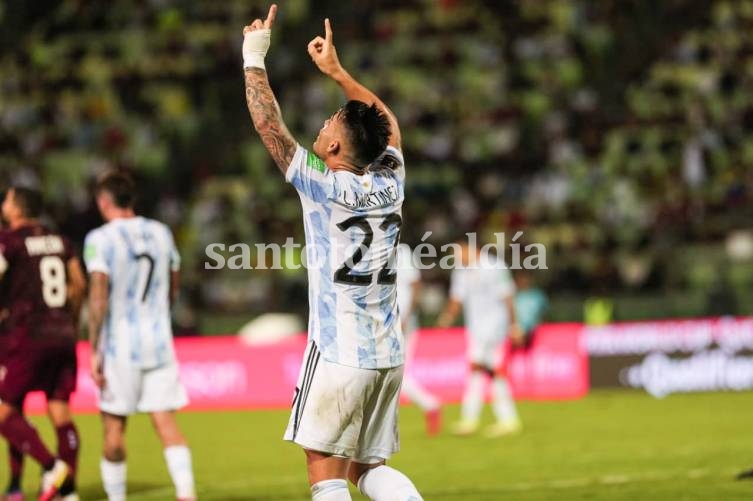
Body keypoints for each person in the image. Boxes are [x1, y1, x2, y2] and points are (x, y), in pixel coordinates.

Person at [243, 5, 423, 500]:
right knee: (368, 468)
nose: (324, 123)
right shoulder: (391, 178)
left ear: (339, 150)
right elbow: (387, 126)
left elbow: (269, 128)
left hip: (340, 350)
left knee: (326, 473)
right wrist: (338, 74)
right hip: (387, 350)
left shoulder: (323, 186)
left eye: (333, 122)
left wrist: (253, 57)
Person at [84, 172, 196, 501]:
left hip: (120, 346)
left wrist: (94, 348)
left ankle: (117, 498)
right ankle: (186, 493)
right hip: (159, 342)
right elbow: (175, 280)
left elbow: (98, 294)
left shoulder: (99, 239)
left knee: (114, 428)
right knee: (166, 424)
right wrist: (163, 312)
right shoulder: (160, 232)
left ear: (104, 202)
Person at [0, 187, 85, 501]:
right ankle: (70, 493)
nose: (4, 205)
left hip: (26, 335)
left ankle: (53, 469)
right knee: (60, 411)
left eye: (7, 201)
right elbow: (78, 284)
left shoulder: (9, 241)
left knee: (6, 412)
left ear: (17, 209)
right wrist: (70, 322)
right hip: (61, 333)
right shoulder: (59, 241)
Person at [437, 238, 523, 438]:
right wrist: (447, 317)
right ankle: (493, 419)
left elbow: (508, 297)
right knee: (485, 371)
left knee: (485, 369)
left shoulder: (494, 266)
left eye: (459, 252)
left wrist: (514, 325)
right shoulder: (461, 271)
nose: (456, 257)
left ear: (471, 249)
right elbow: (457, 298)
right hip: (475, 329)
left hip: (496, 327)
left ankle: (492, 419)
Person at [396, 244, 441, 435]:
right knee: (392, 375)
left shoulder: (402, 251)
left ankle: (430, 404)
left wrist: (407, 316)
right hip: (382, 325)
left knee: (397, 375)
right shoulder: (373, 249)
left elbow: (416, 285)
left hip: (402, 324)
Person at [513, 269, 548, 350]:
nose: (524, 281)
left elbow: (544, 315)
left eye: (526, 278)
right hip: (516, 333)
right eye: (521, 278)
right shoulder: (513, 296)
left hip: (535, 333)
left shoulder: (538, 296)